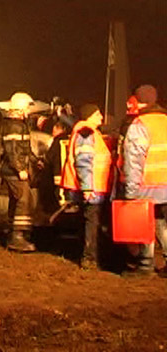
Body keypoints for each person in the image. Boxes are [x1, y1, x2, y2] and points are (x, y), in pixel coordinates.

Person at [122, 85, 167, 277]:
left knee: (146, 224)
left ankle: (146, 265)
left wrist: (131, 192)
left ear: (138, 101)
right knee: (162, 223)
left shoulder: (140, 124)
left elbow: (134, 160)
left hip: (149, 184)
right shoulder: (165, 120)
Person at [61, 104, 112, 270]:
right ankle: (89, 258)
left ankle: (87, 256)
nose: (101, 117)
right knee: (91, 222)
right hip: (92, 188)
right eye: (97, 114)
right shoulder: (86, 132)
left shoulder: (88, 132)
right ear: (89, 116)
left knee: (88, 221)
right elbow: (83, 161)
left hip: (92, 186)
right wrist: (87, 188)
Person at [0, 92, 37, 252]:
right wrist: (21, 169)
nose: (29, 111)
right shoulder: (15, 126)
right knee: (24, 199)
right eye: (27, 107)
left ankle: (12, 233)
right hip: (13, 171)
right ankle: (18, 237)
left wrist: (36, 160)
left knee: (15, 200)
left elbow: (25, 149)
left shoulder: (18, 125)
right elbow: (13, 151)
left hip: (11, 170)